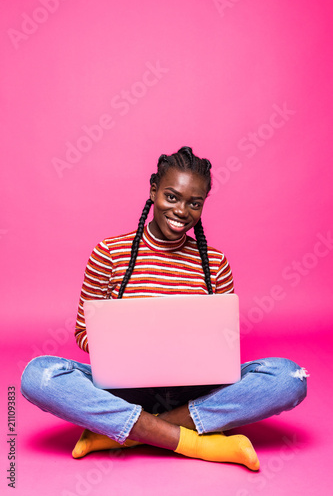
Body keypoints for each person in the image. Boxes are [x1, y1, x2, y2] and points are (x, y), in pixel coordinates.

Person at [21, 147, 308, 471]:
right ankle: (195, 442)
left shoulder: (216, 264)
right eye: (172, 197)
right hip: (124, 390)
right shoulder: (108, 253)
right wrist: (125, 348)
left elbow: (225, 342)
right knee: (38, 375)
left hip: (194, 392)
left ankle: (132, 432)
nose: (182, 210)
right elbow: (82, 333)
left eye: (194, 203)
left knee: (289, 378)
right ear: (153, 190)